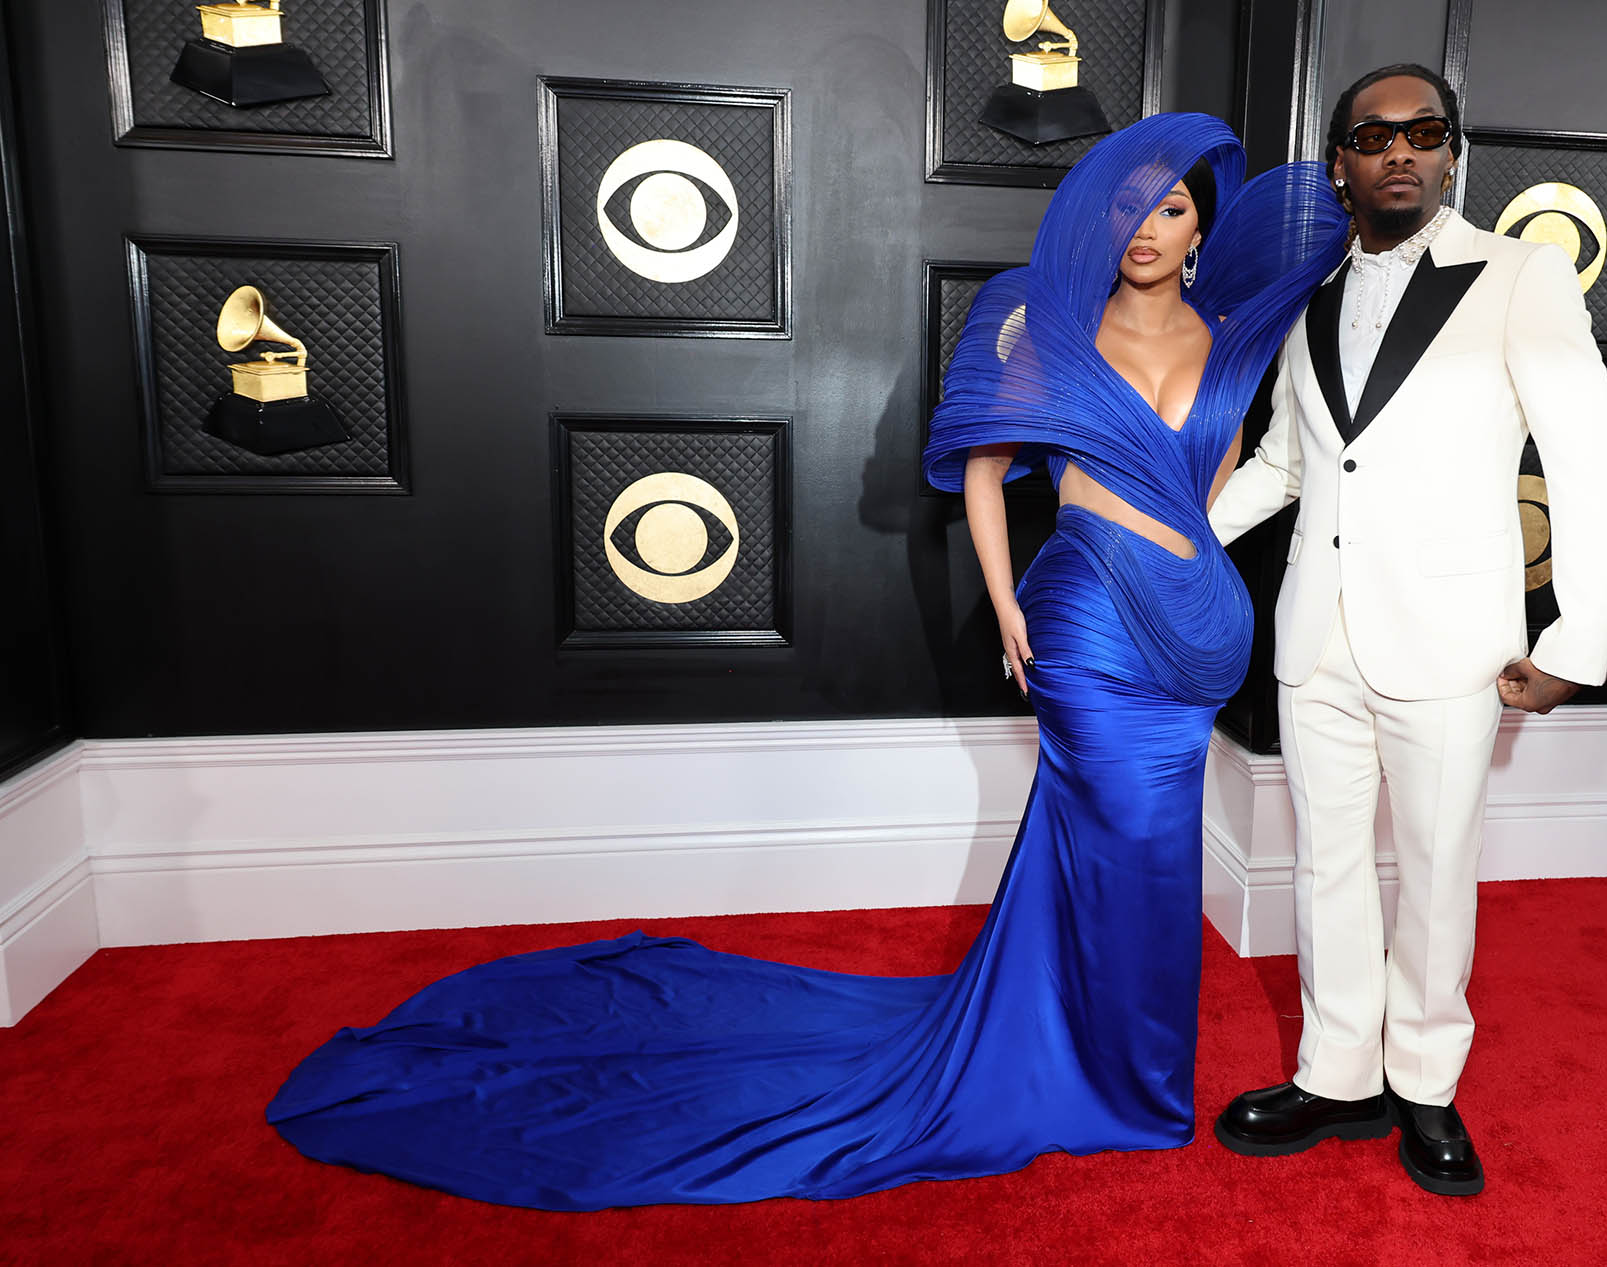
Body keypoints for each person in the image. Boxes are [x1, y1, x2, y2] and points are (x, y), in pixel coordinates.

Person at [265, 113, 1348, 1210]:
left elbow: (1215, 482)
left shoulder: (1234, 338)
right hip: (1087, 621)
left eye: (1171, 208)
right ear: (1096, 220)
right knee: (1118, 835)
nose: (1149, 227)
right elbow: (983, 470)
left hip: (1200, 624)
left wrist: (1194, 560)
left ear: (1201, 227)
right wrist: (1011, 605)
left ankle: (1120, 1065)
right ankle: (1117, 1079)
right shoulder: (1040, 321)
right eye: (1128, 207)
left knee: (1156, 854)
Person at [1204, 64, 1607, 1197]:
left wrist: (1575, 639)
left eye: (1422, 132)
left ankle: (1426, 1083)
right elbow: (1291, 463)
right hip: (1316, 639)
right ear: (1339, 162)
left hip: (1451, 638)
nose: (1399, 150)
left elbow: (1586, 461)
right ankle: (1336, 1071)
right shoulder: (1311, 296)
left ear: (1451, 153)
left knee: (1438, 869)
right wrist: (1173, 537)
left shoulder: (1521, 277)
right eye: (1372, 135)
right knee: (1326, 863)